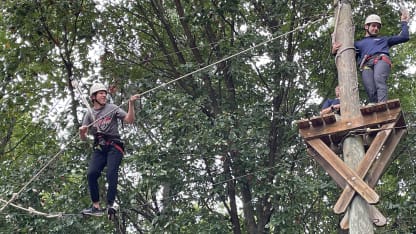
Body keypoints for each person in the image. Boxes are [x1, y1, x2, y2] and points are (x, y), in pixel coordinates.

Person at [79, 82, 140, 216]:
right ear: (93, 97)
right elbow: (83, 138)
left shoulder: (112, 108)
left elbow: (129, 120)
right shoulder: (89, 114)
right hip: (100, 147)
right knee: (91, 174)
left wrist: (131, 104)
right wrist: (82, 132)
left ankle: (111, 204)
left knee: (111, 173)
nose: (104, 95)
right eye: (101, 93)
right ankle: (95, 206)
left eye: (105, 93)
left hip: (114, 145)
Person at [332, 10, 410, 103]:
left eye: (378, 27)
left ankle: (382, 104)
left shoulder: (384, 40)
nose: (376, 28)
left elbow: (404, 37)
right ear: (366, 26)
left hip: (381, 60)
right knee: (370, 89)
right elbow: (345, 55)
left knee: (379, 80)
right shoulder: (358, 44)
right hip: (366, 64)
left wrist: (404, 22)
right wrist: (334, 51)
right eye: (373, 25)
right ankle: (377, 107)